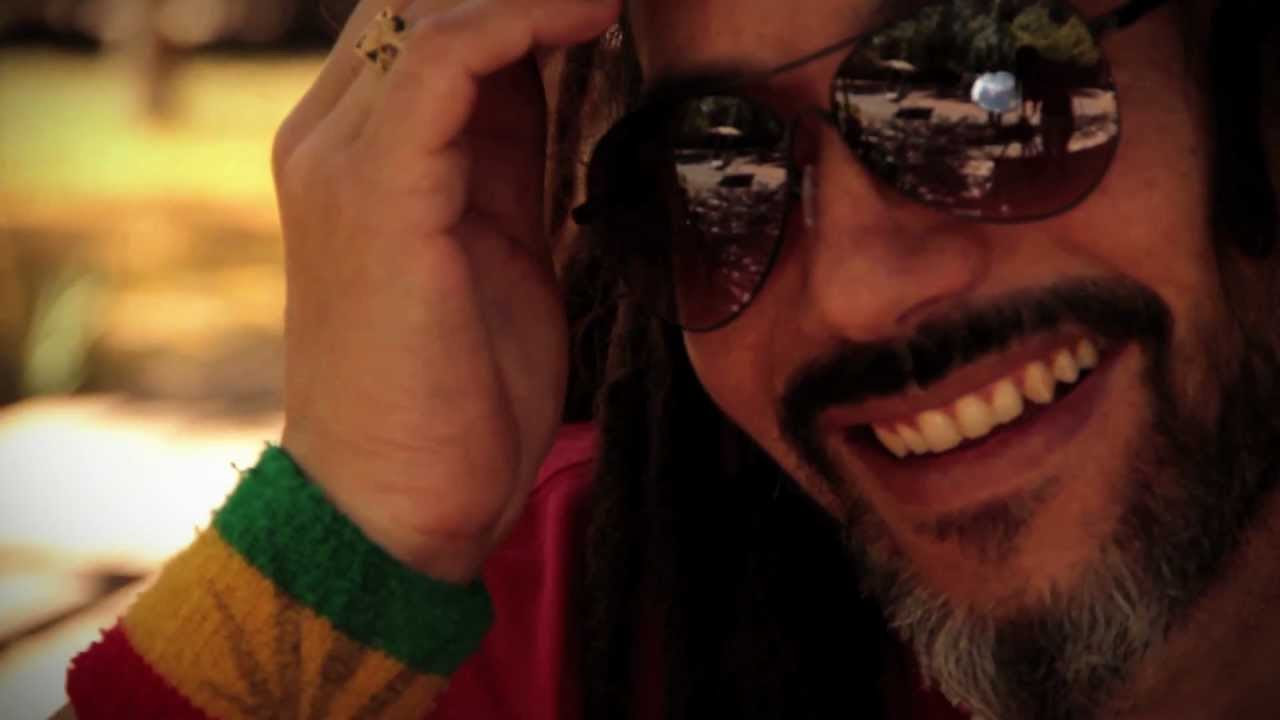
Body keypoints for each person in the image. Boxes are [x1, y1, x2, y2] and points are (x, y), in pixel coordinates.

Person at [59, 0, 1280, 718]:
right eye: (715, 166)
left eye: (984, 94)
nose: (853, 292)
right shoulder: (538, 625)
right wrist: (354, 532)